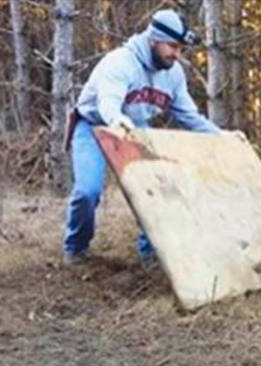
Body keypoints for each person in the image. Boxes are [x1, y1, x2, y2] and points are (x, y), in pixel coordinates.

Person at [62, 9, 229, 266]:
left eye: (181, 49)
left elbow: (189, 117)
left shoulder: (173, 73)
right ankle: (76, 248)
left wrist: (222, 138)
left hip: (135, 128)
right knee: (88, 191)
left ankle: (150, 252)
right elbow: (109, 104)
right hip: (94, 125)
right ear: (153, 39)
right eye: (172, 47)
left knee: (154, 190)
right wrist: (118, 122)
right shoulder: (120, 62)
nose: (177, 55)